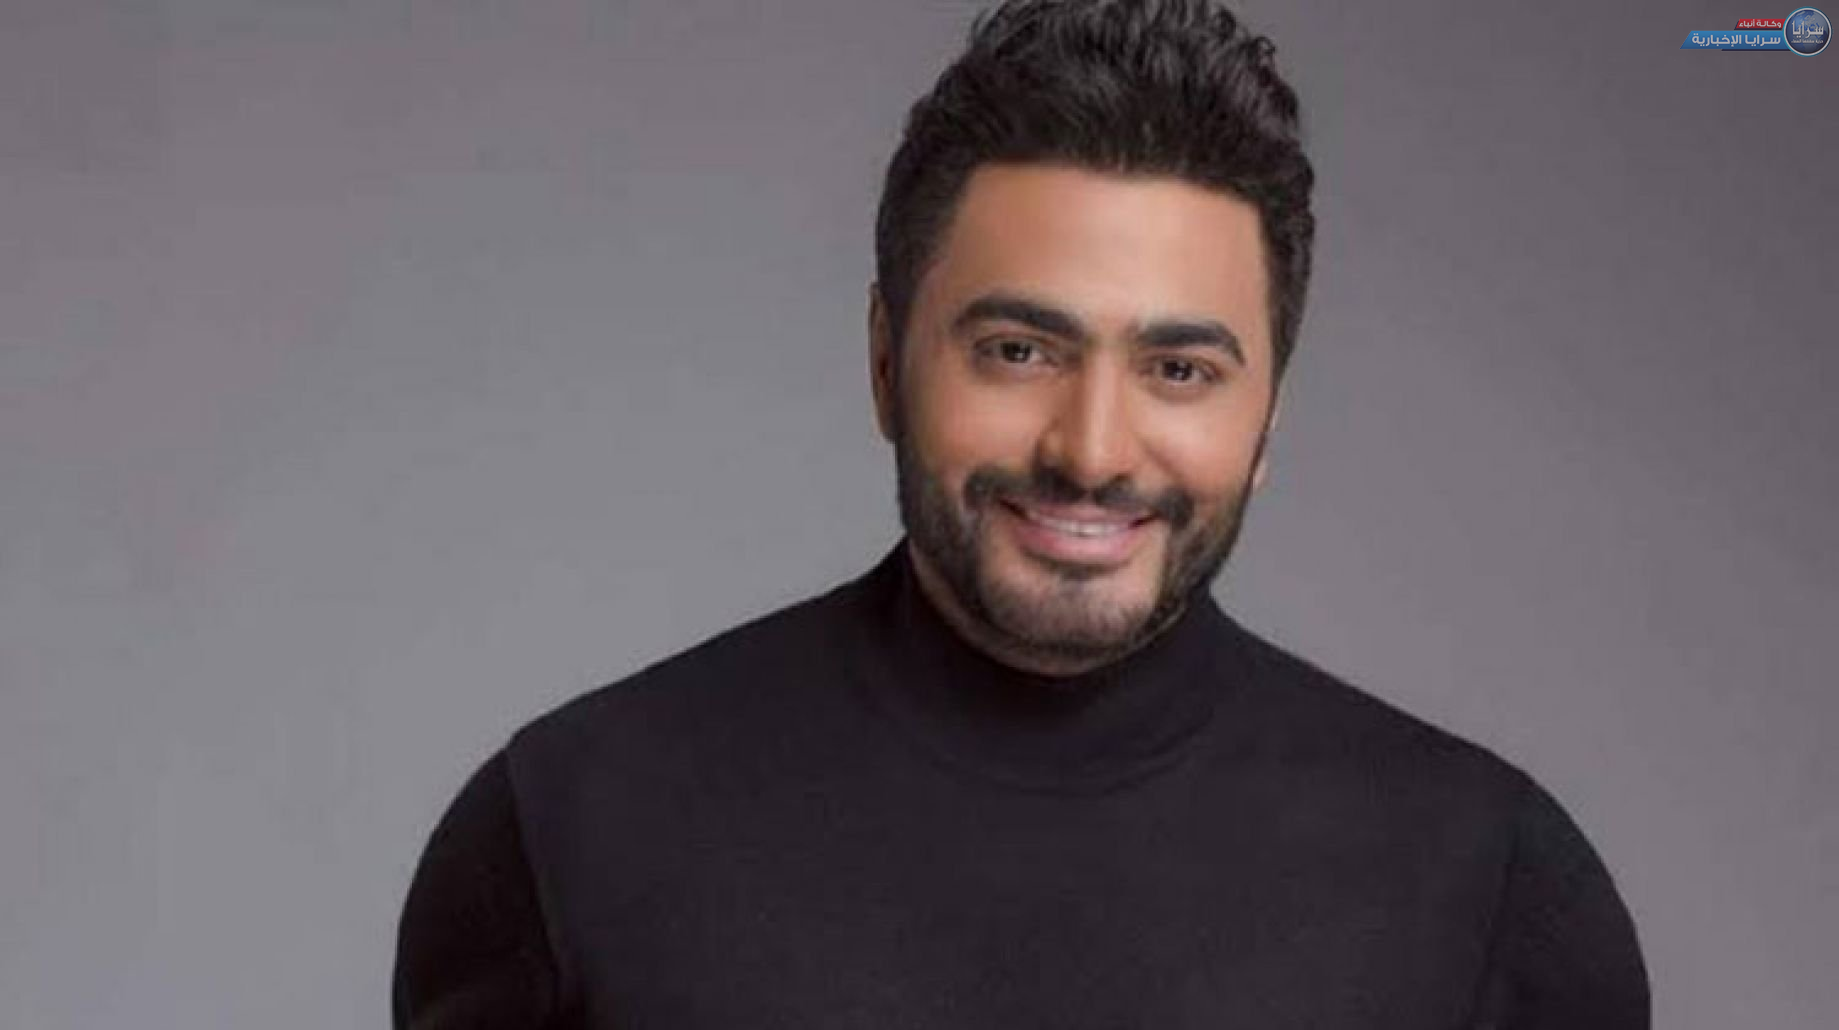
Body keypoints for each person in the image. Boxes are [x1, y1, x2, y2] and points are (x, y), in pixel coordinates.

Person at [392, 1, 1649, 1026]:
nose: (1091, 451)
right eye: (1017, 350)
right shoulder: (568, 834)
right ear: (886, 360)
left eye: (1179, 370)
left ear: (1268, 416)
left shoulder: (1492, 892)